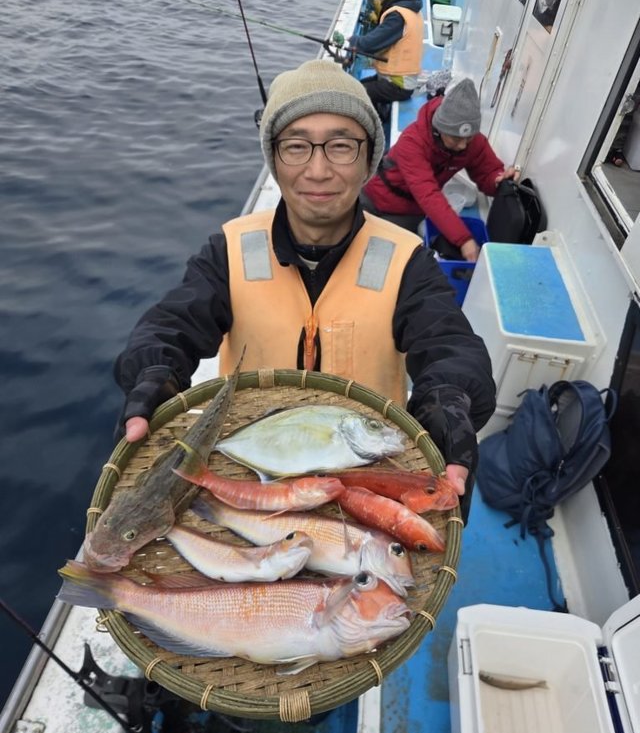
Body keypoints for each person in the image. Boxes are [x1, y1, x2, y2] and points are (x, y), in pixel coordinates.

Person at [114, 59, 497, 520]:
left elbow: (449, 342)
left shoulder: (406, 259)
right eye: (296, 146)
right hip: (248, 473)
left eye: (341, 146)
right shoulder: (230, 249)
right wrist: (154, 374)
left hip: (364, 476)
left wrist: (446, 400)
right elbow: (172, 324)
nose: (318, 170)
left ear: (369, 159)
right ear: (273, 159)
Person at [360, 77, 520, 262]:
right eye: (455, 138)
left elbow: (488, 173)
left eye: (468, 138)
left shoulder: (473, 142)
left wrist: (498, 180)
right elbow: (428, 194)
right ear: (440, 128)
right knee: (372, 258)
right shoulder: (412, 142)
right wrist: (464, 240)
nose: (462, 145)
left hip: (411, 212)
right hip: (376, 202)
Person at [348, 0, 424, 125]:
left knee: (353, 94)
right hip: (396, 79)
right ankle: (379, 118)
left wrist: (351, 40)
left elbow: (369, 44)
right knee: (357, 86)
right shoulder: (409, 6)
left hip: (398, 84)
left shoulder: (397, 16)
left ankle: (372, 129)